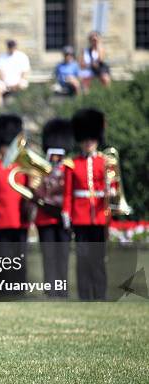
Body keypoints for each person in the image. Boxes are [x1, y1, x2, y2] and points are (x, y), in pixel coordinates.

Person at [62, 109, 112, 300]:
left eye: (91, 139)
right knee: (82, 259)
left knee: (98, 259)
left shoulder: (105, 161)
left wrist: (111, 192)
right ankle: (85, 295)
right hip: (80, 216)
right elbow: (68, 192)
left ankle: (100, 294)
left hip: (98, 215)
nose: (88, 143)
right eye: (85, 139)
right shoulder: (72, 164)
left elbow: (112, 189)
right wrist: (66, 213)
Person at [0, 114, 30, 294]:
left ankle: (19, 287)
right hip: (3, 218)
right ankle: (5, 287)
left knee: (20, 255)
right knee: (5, 256)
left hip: (21, 218)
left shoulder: (23, 167)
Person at [35, 118, 74, 297]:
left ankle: (62, 288)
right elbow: (37, 195)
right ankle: (51, 289)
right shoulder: (41, 170)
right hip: (45, 217)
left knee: (63, 255)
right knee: (49, 255)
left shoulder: (69, 169)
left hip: (63, 216)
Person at [0, 39, 30, 107]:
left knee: (23, 87)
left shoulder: (22, 56)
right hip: (4, 82)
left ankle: (24, 108)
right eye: (10, 46)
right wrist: (6, 83)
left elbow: (24, 73)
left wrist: (17, 84)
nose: (11, 48)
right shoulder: (1, 57)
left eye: (12, 46)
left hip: (18, 81)